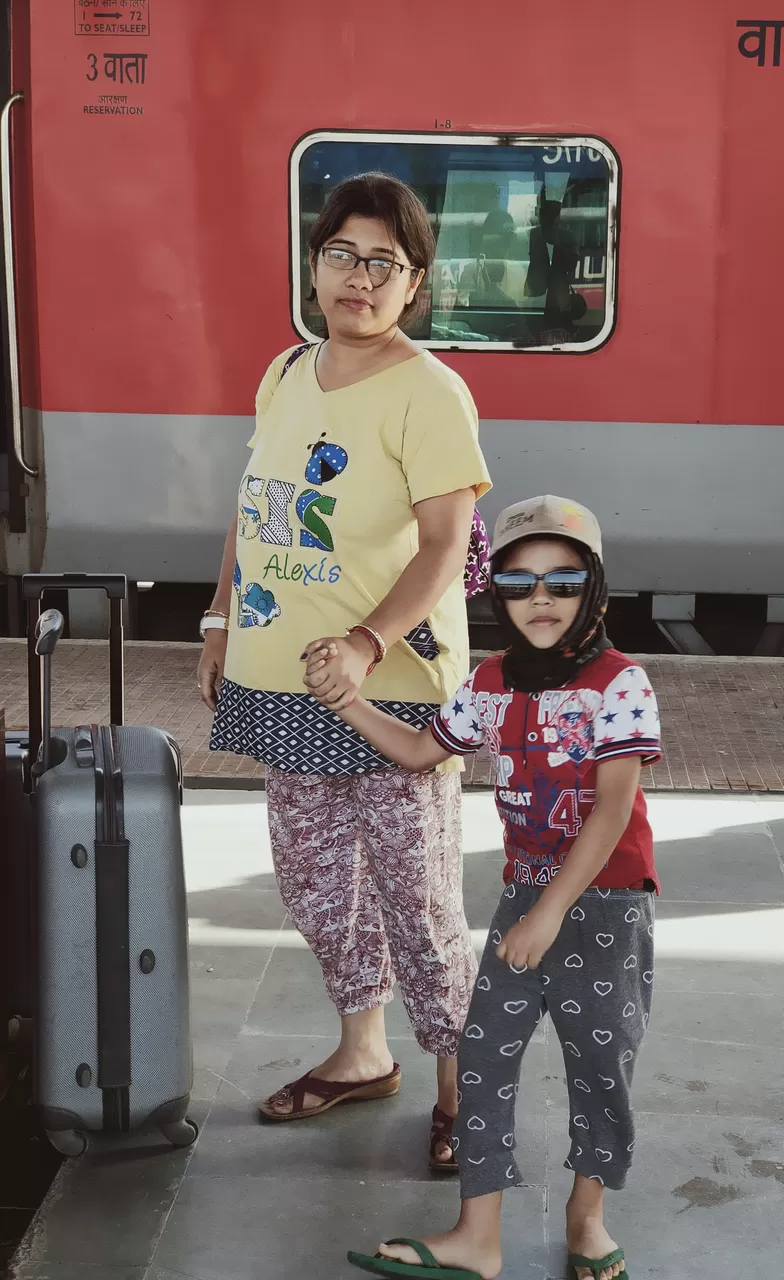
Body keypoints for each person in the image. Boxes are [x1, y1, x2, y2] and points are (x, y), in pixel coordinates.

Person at [196, 172, 491, 1172]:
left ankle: (461, 1084)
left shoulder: (430, 390)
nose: (359, 278)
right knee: (318, 884)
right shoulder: (285, 372)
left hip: (389, 687)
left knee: (421, 899)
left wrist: (366, 642)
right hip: (283, 680)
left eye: (384, 263)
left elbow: (447, 544)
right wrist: (219, 619)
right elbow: (254, 508)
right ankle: (364, 1051)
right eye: (342, 255)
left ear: (414, 285)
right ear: (313, 265)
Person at [305, 496, 662, 1280]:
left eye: (563, 581)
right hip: (527, 894)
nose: (541, 599)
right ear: (495, 589)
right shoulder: (489, 680)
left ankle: (587, 1215)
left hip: (603, 901)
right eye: (519, 580)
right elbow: (418, 750)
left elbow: (611, 813)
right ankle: (477, 1234)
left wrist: (547, 913)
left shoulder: (620, 683)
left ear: (594, 589)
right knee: (483, 1056)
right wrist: (349, 701)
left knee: (600, 1063)